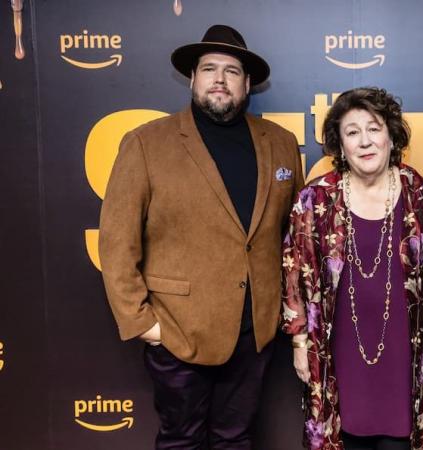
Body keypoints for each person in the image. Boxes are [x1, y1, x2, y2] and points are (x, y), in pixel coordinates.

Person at [99, 24, 303, 449]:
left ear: (247, 84)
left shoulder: (281, 145)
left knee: (235, 438)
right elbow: (117, 241)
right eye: (209, 68)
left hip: (254, 332)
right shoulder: (145, 143)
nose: (220, 79)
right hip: (177, 331)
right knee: (181, 440)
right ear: (192, 78)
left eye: (231, 71)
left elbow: (291, 237)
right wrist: (144, 324)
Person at [281, 87, 423, 450]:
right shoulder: (315, 198)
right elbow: (294, 270)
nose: (365, 141)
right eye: (352, 132)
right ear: (339, 145)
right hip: (338, 350)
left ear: (391, 136)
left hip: (406, 351)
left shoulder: (420, 193)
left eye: (374, 128)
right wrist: (299, 341)